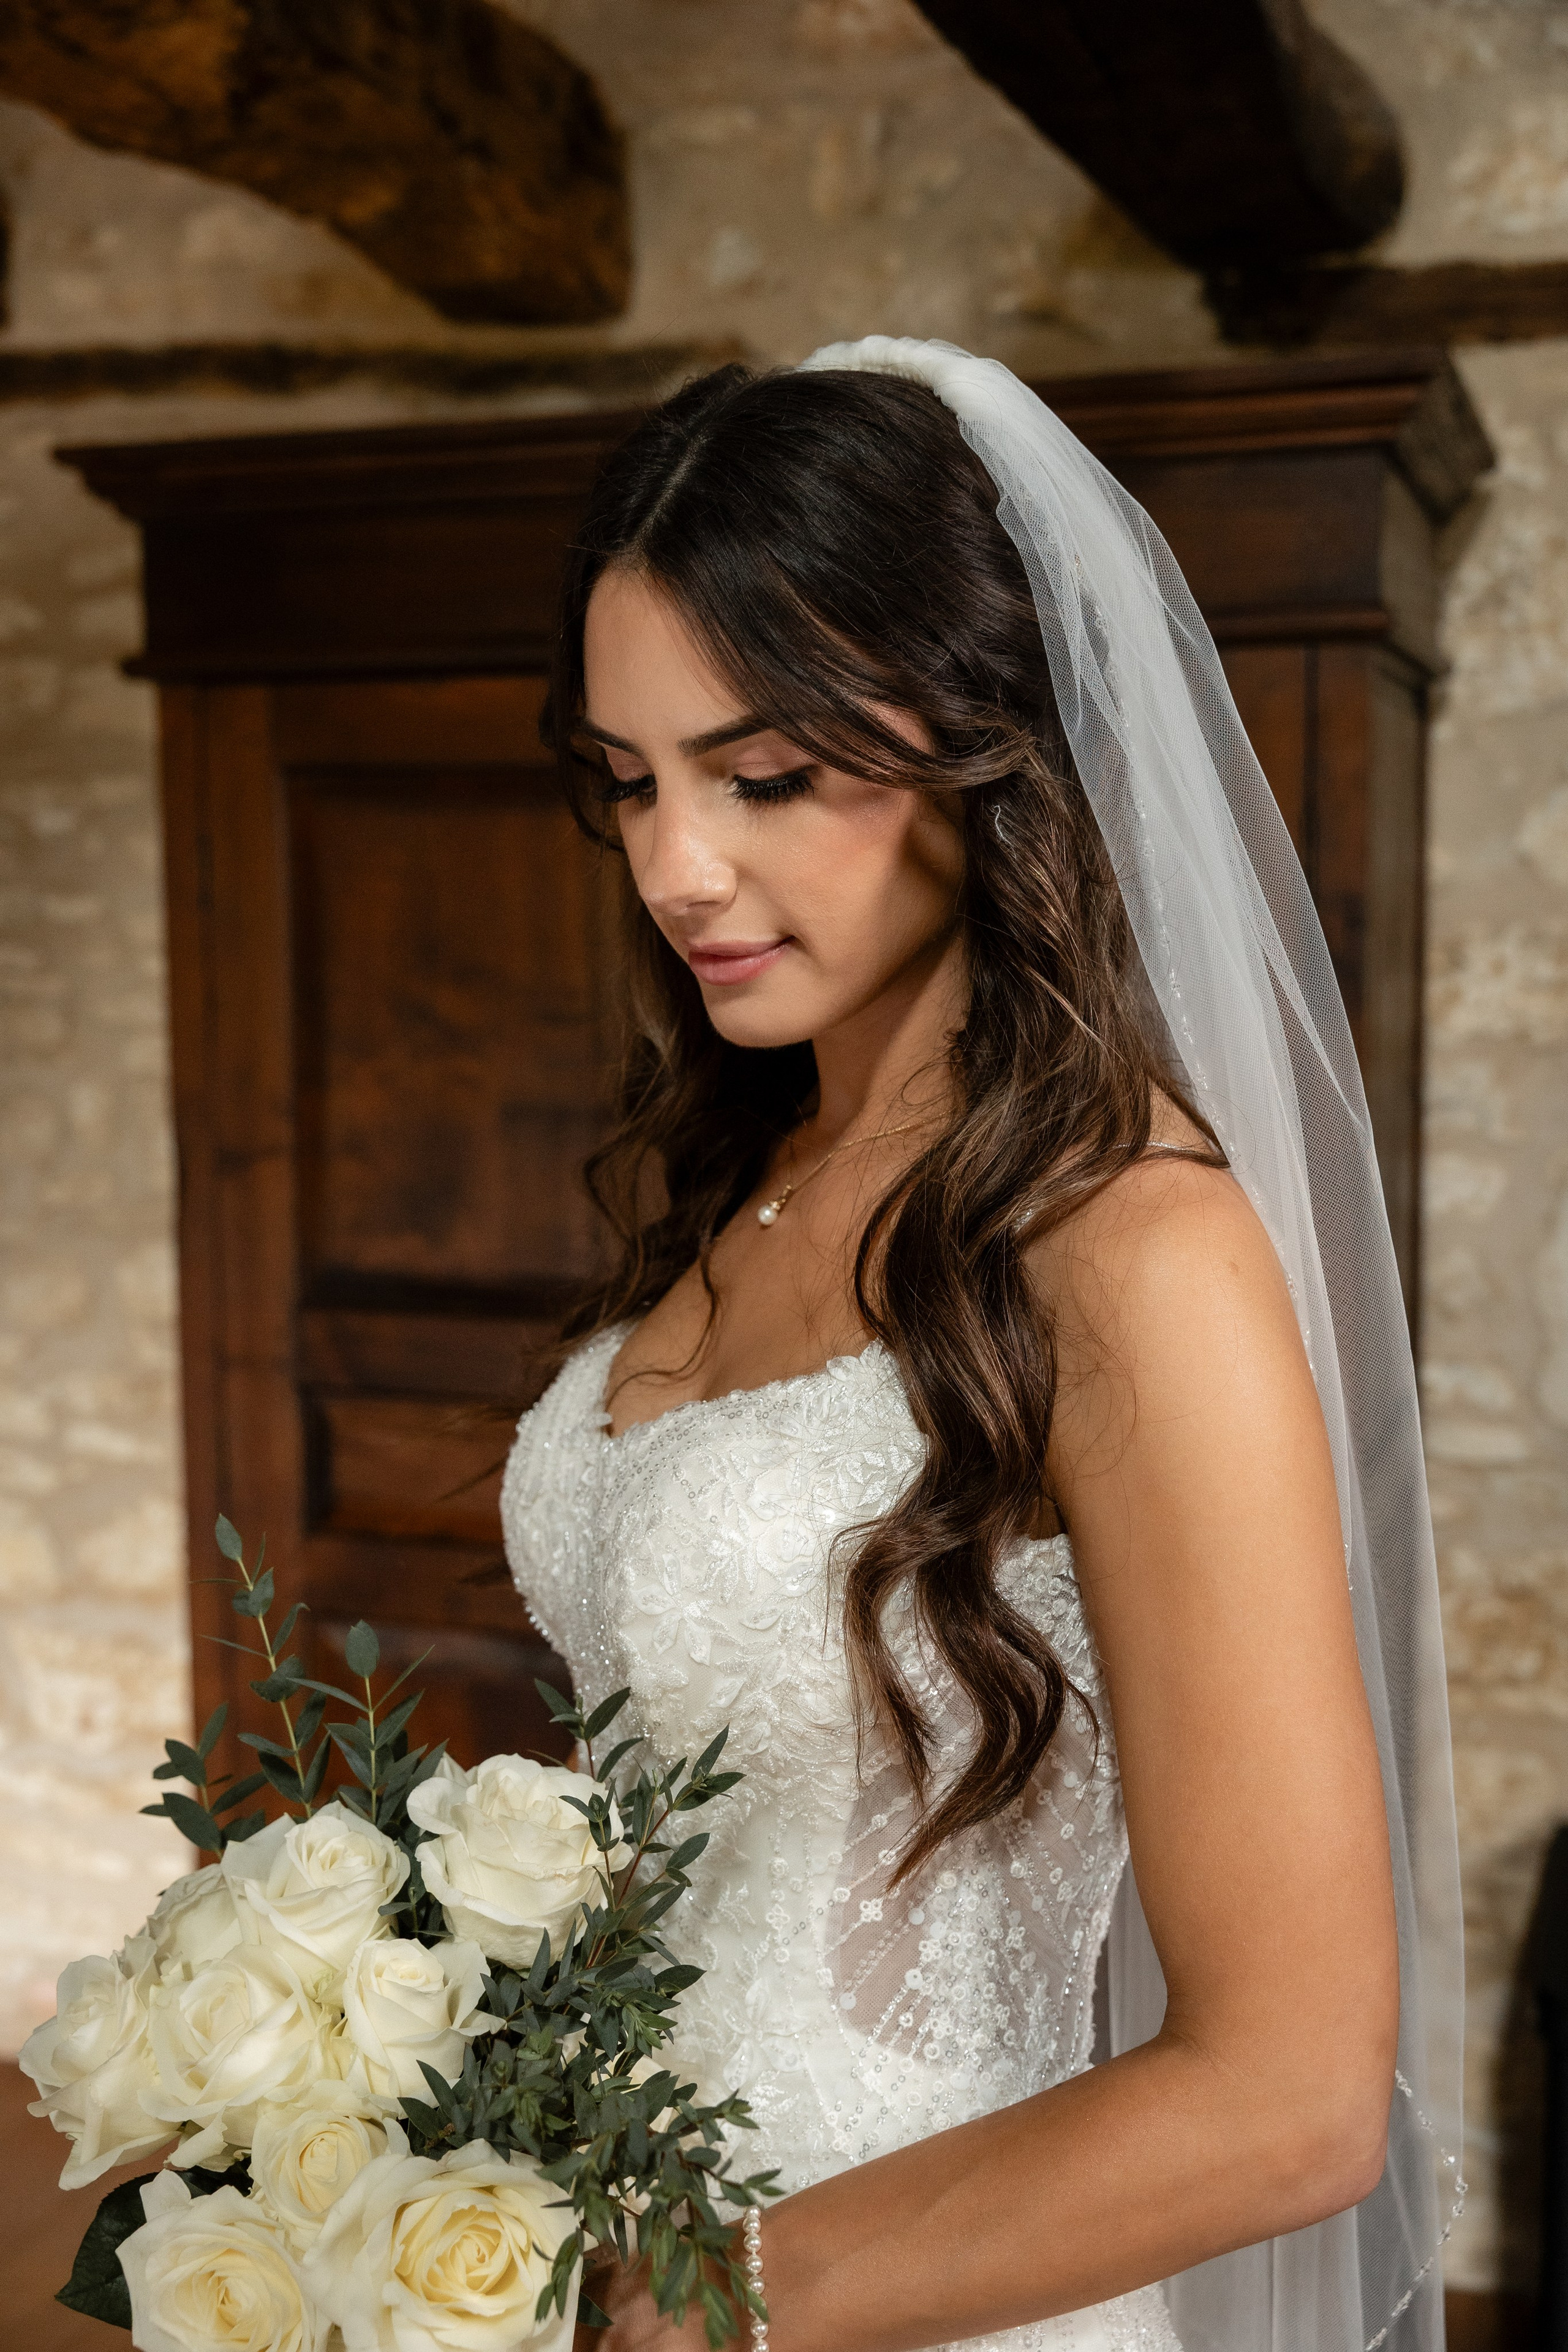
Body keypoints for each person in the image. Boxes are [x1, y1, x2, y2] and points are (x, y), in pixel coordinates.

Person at [500, 339, 1463, 2352]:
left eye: (764, 776)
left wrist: (685, 2310)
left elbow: (1291, 2102)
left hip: (896, 2295)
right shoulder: (754, 1168)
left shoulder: (1129, 1248)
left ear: (983, 735)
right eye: (629, 782)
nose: (676, 866)